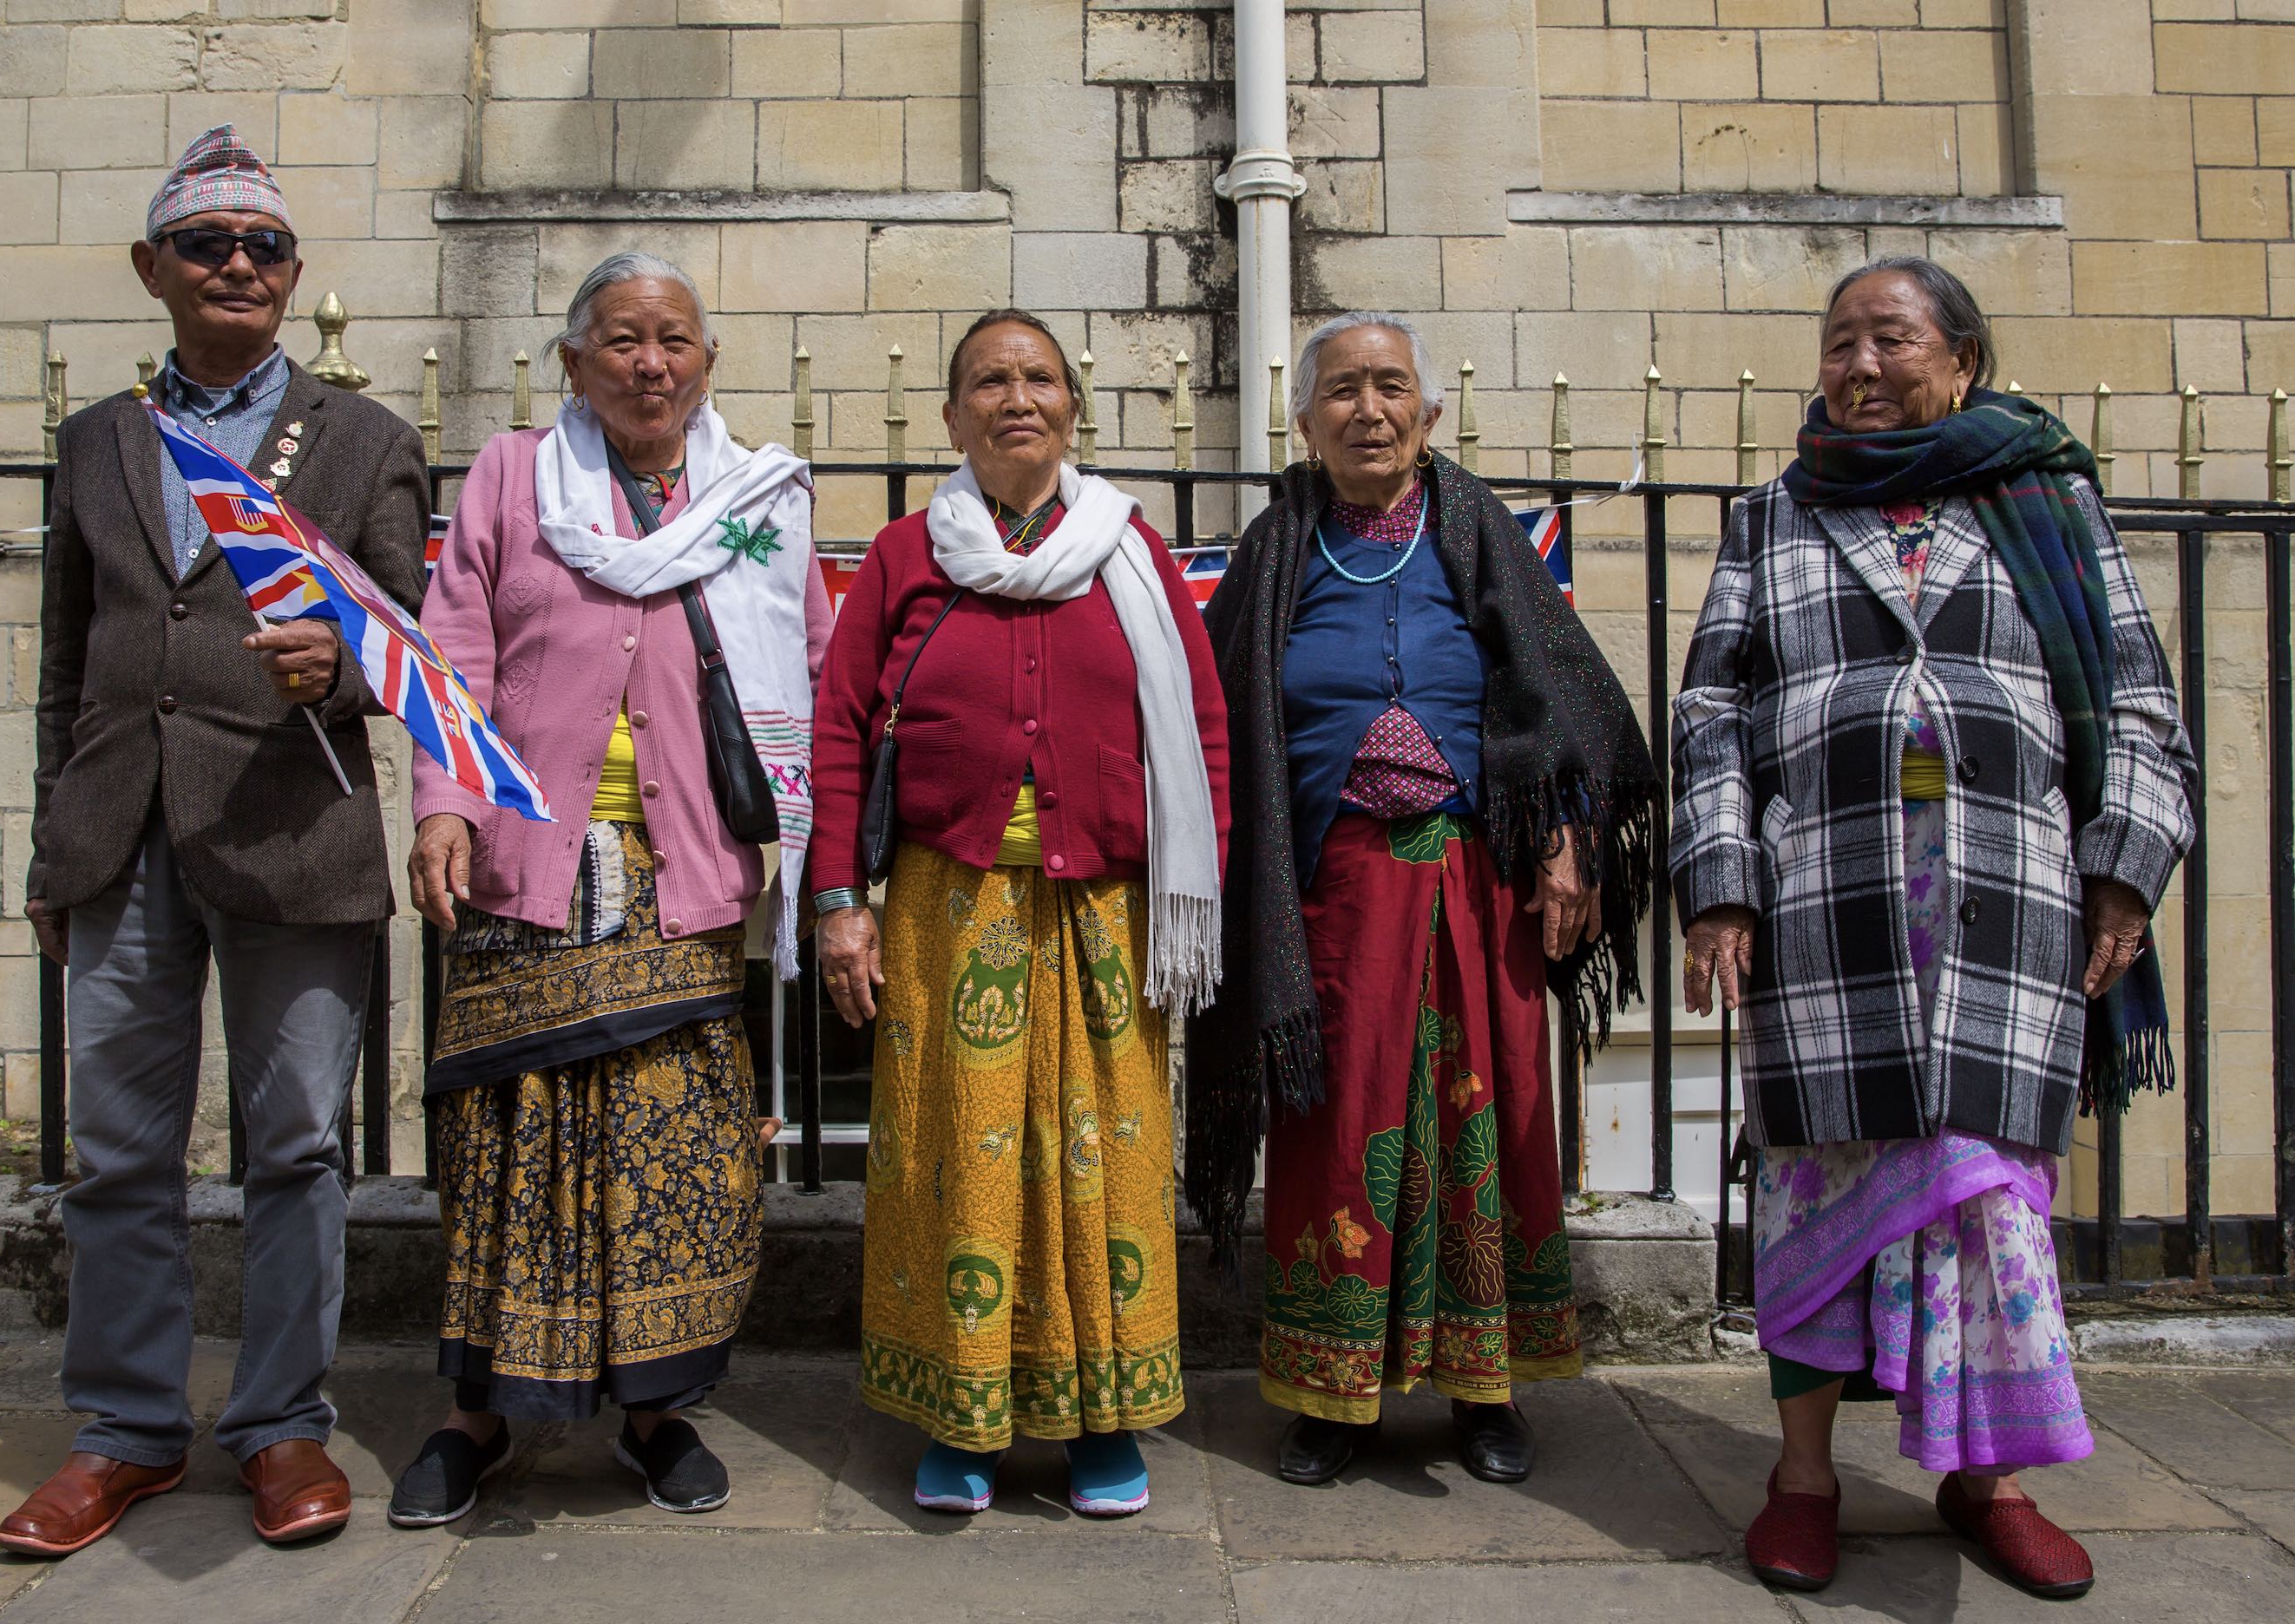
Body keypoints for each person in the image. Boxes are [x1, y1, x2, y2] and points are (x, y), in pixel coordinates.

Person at [1672, 258, 2196, 1601]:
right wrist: (1719, 882)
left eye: (1889, 339)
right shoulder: (1771, 515)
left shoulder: (2047, 505)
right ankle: (1802, 1478)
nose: (1857, 365)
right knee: (1813, 1186)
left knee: (1984, 1200)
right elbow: (1712, 718)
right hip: (1827, 903)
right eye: (1838, 341)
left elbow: (2139, 708)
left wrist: (2122, 872)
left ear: (1960, 362)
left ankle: (1988, 1479)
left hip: (2004, 907)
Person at [0, 127, 429, 1555]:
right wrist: (54, 847)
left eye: (263, 247)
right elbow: (71, 663)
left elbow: (414, 645)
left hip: (293, 833)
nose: (237, 265)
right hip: (120, 837)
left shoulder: (362, 441)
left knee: (296, 1145)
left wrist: (341, 664)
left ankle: (282, 1423)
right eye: (205, 244)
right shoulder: (96, 442)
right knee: (119, 1152)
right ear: (153, 268)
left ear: (294, 275)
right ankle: (125, 1429)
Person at [386, 251, 829, 1527]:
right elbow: (453, 648)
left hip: (683, 868)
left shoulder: (753, 500)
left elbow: (811, 659)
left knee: (669, 1144)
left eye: (675, 341)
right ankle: (477, 1415)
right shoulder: (513, 477)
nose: (652, 364)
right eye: (624, 340)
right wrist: (443, 803)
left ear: (707, 364)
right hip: (526, 860)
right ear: (574, 362)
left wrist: (829, 856)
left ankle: (654, 1411)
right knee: (510, 1140)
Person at [1184, 311, 1656, 1490]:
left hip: (1474, 880)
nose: (1369, 410)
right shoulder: (1275, 547)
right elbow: (1214, 724)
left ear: (1429, 413)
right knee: (1338, 1130)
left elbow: (1559, 701)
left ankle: (1486, 1387)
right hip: (1332, 892)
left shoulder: (1479, 529)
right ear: (1304, 422)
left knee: (1485, 1124)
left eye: (1390, 386)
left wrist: (1567, 837)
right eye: (1342, 390)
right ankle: (1330, 1394)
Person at [811, 308, 1230, 1519]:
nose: (1017, 397)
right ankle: (965, 1415)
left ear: (1071, 409)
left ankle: (1104, 1418)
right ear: (952, 418)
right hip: (945, 908)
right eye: (989, 381)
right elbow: (839, 731)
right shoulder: (905, 555)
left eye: (1039, 377)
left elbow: (1201, 731)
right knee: (958, 1157)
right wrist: (838, 903)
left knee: (1107, 1159)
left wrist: (1203, 897)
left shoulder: (1128, 550)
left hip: (1105, 908)